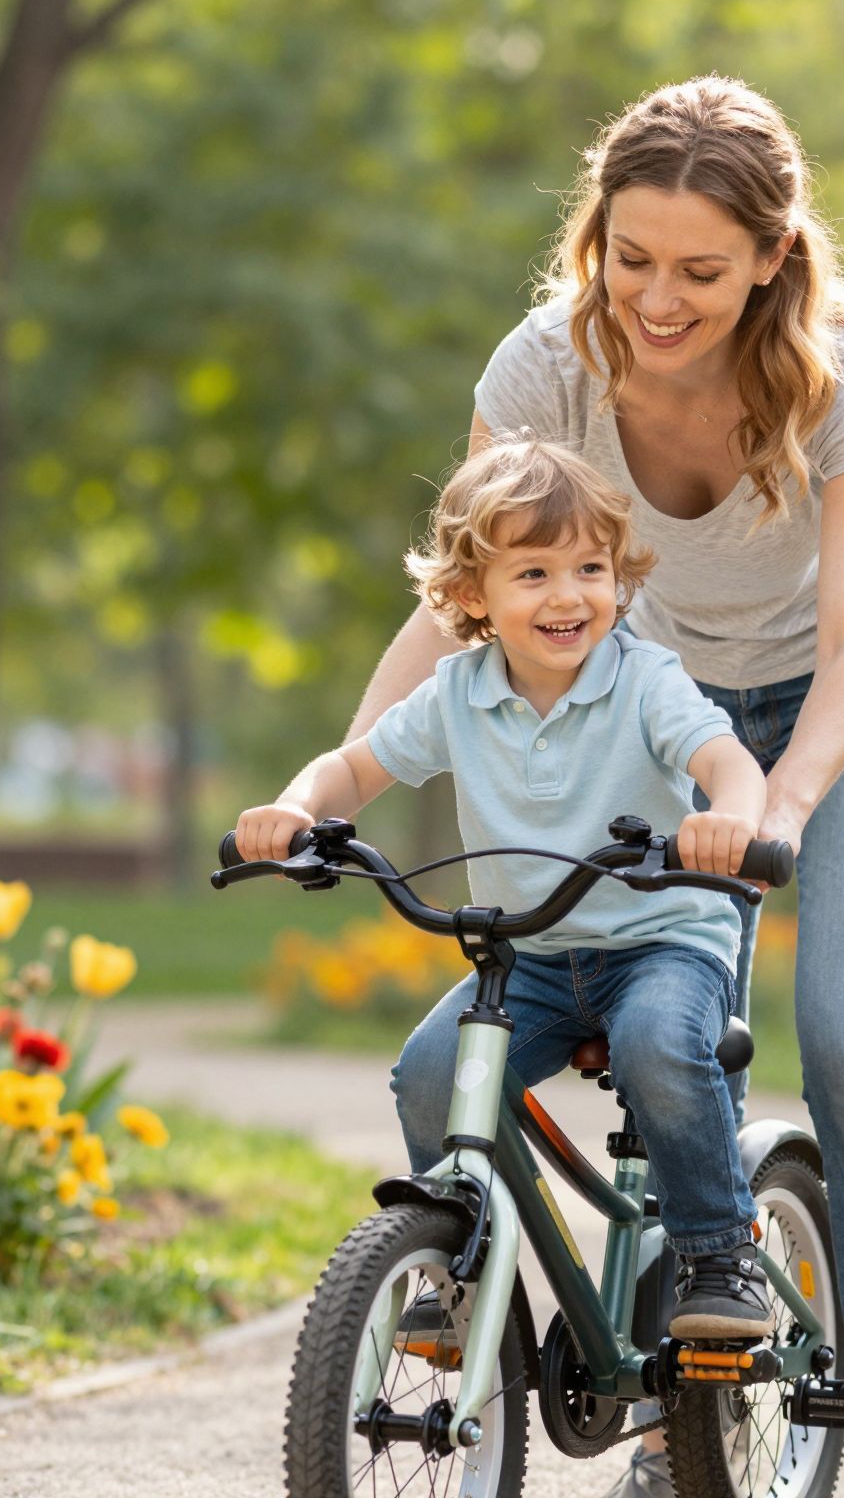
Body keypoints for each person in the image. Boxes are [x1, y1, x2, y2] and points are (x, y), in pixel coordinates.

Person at [343, 76, 844, 1498]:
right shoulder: (543, 371)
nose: (658, 301)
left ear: (770, 256)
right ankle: (647, 1371)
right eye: (631, 261)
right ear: (594, 239)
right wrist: (340, 779)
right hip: (654, 702)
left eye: (699, 270)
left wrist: (782, 812)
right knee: (621, 1025)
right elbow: (465, 604)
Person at [234, 435, 780, 1340]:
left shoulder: (645, 680)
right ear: (469, 596)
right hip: (528, 955)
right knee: (430, 1073)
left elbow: (726, 760)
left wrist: (730, 813)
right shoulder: (456, 694)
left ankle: (718, 1254)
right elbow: (355, 770)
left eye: (590, 568)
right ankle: (461, 1267)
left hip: (660, 944)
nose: (568, 595)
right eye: (533, 573)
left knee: (655, 1046)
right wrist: (296, 809)